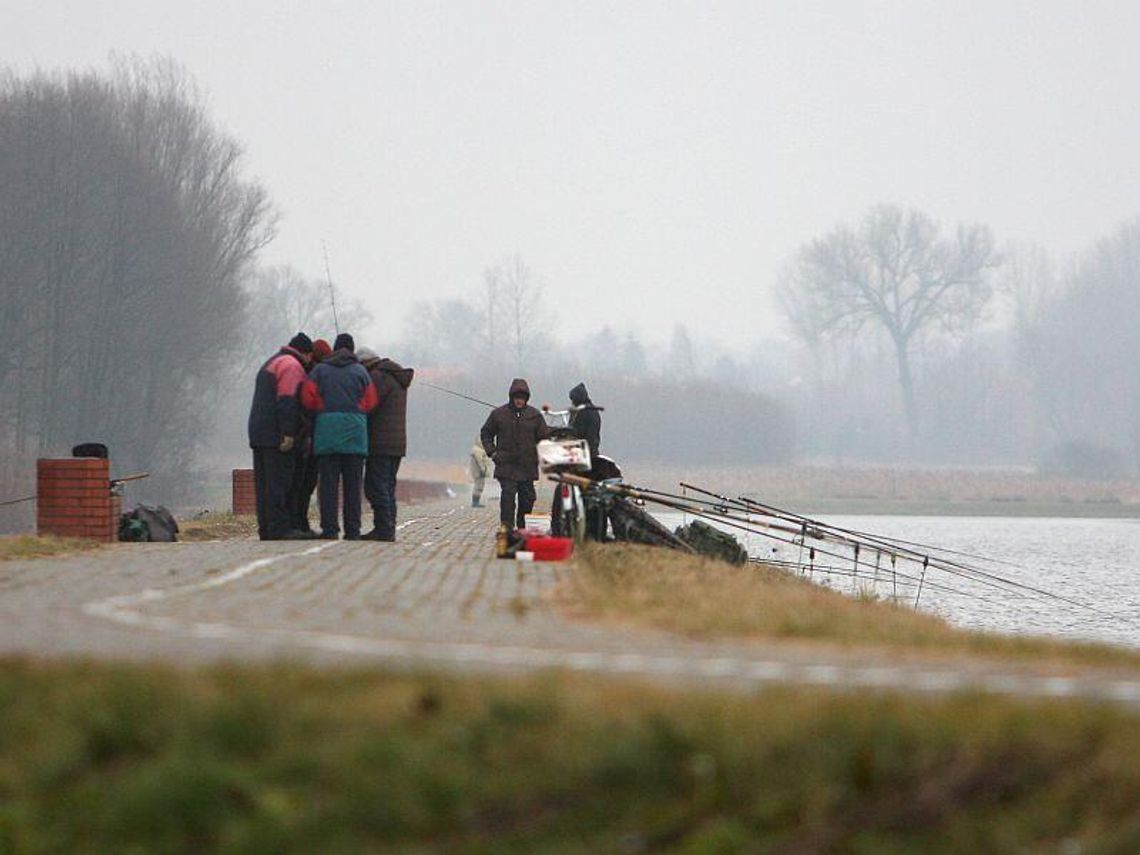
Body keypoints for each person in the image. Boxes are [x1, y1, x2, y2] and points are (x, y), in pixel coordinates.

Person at [301, 332, 377, 540]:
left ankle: (330, 529)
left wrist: (322, 409)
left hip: (327, 433)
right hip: (355, 434)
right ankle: (353, 530)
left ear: (334, 348)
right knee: (353, 486)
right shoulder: (361, 371)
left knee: (328, 486)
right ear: (352, 350)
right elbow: (371, 401)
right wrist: (356, 411)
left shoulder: (320, 370)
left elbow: (307, 397)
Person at [247, 332, 315, 540]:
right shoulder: (292, 366)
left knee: (264, 484)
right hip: (276, 434)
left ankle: (266, 528)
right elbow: (287, 401)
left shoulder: (273, 361)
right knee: (280, 483)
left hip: (259, 432)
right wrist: (288, 433)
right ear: (307, 353)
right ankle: (280, 528)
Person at [358, 346, 415, 541]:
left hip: (380, 442)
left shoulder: (378, 377)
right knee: (388, 486)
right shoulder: (396, 378)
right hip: (396, 443)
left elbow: (368, 406)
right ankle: (388, 526)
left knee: (376, 486)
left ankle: (383, 528)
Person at [480, 378, 551, 529]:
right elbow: (486, 433)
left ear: (526, 398)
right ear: (511, 397)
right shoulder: (498, 414)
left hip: (527, 467)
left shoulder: (535, 416)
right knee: (508, 498)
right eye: (517, 397)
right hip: (506, 466)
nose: (519, 400)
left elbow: (544, 438)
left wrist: (544, 455)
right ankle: (507, 529)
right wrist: (492, 452)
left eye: (522, 398)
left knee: (528, 499)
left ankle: (522, 529)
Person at [289, 337, 332, 534]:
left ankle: (298, 521)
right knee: (307, 483)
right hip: (313, 435)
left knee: (300, 482)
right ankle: (300, 521)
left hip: (305, 435)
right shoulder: (319, 375)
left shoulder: (305, 372)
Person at [568, 382, 602, 465]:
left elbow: (578, 432)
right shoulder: (591, 410)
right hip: (590, 451)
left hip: (585, 453)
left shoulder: (583, 413)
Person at [468, 435, 491, 507]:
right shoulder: (478, 451)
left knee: (479, 485)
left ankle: (476, 501)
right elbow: (480, 461)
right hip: (479, 472)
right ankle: (475, 502)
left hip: (477, 471)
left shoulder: (476, 450)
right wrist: (483, 469)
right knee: (478, 486)